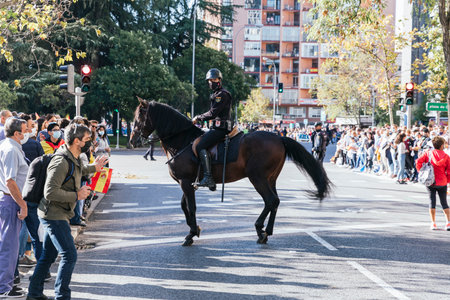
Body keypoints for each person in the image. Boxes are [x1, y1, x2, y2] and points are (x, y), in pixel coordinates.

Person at [27, 123, 109, 300]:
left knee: (48, 255)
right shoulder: (61, 161)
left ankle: (33, 293)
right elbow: (50, 192)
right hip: (53, 214)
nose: (91, 143)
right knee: (69, 255)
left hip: (58, 212)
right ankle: (62, 296)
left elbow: (77, 170)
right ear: (77, 141)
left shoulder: (73, 156)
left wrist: (94, 167)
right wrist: (76, 195)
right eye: (87, 140)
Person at [0, 117, 29, 298]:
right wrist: (22, 204)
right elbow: (10, 181)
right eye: (25, 130)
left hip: (8, 200)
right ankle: (4, 287)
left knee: (7, 245)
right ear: (17, 133)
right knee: (9, 247)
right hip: (11, 201)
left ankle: (5, 284)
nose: (27, 133)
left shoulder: (6, 146)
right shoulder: (11, 149)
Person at [192, 68, 233, 191]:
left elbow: (212, 113)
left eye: (214, 79)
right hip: (216, 127)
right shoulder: (216, 94)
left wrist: (198, 118)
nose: (211, 82)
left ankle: (208, 177)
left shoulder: (222, 94)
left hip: (221, 129)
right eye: (209, 80)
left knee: (200, 146)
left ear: (219, 80)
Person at [416, 136, 450, 231]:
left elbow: (418, 162)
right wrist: (447, 180)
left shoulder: (428, 154)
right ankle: (448, 223)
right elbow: (449, 170)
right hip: (442, 181)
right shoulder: (446, 156)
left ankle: (433, 223)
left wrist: (421, 172)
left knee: (432, 202)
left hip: (430, 180)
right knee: (444, 202)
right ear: (442, 145)